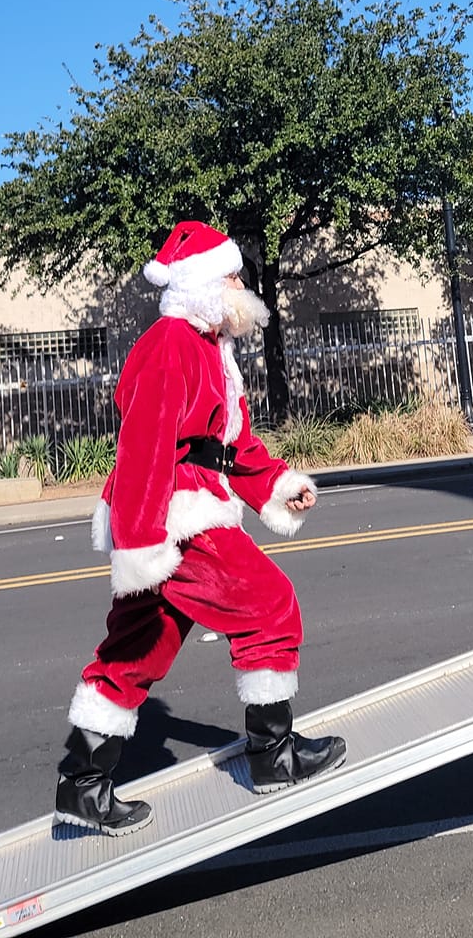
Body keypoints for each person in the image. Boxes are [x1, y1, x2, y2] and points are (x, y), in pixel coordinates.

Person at [56, 221, 347, 837]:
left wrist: (276, 486)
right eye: (233, 275)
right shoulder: (171, 343)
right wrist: (141, 541)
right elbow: (144, 445)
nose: (242, 284)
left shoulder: (212, 349)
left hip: (183, 507)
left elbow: (232, 445)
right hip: (177, 516)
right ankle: (274, 756)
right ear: (204, 284)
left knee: (140, 646)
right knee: (269, 605)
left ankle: (82, 784)